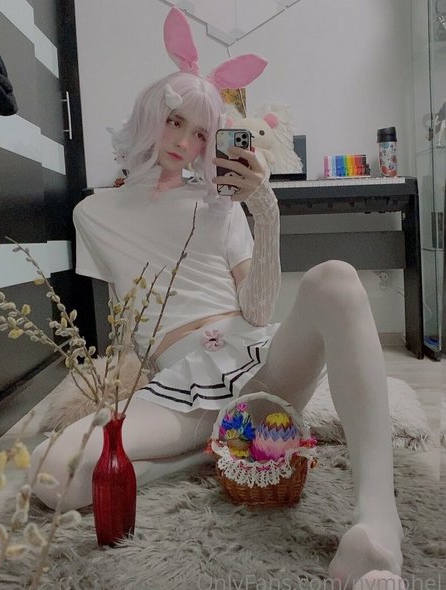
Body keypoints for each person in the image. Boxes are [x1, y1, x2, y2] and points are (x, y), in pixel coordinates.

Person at [30, 8, 405, 588]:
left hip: (261, 364)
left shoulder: (221, 205)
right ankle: (217, 448)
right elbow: (122, 315)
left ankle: (379, 526)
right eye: (174, 121)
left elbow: (257, 311)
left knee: (334, 277)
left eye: (202, 133)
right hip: (184, 389)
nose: (185, 141)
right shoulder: (93, 213)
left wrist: (264, 210)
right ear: (149, 117)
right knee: (51, 472)